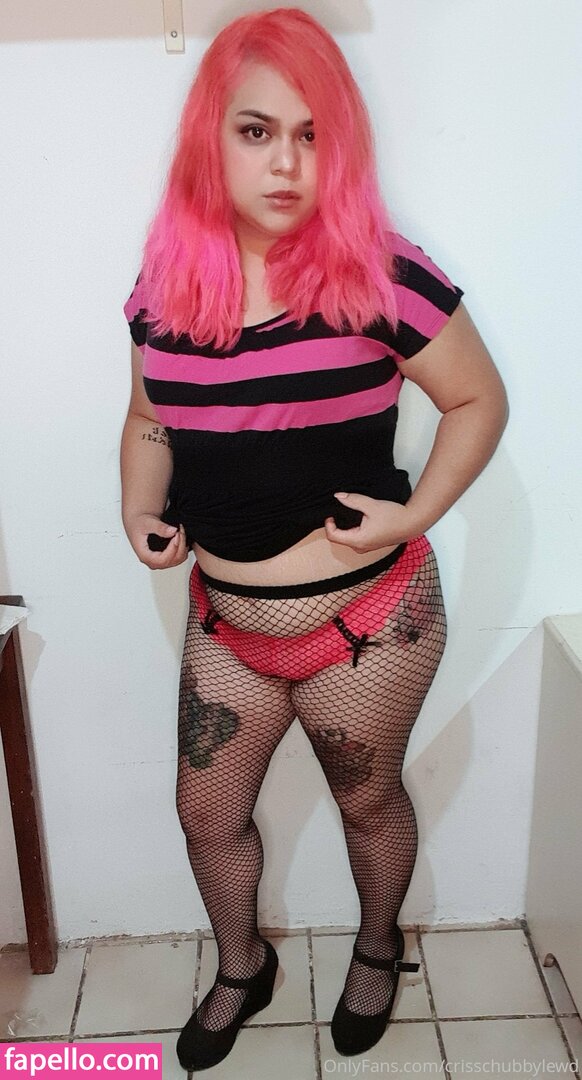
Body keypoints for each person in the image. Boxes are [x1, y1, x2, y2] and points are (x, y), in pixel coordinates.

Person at [120, 7, 508, 1072]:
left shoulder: (382, 275)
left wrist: (417, 513)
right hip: (226, 626)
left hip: (367, 626)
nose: (287, 162)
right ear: (211, 137)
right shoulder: (163, 290)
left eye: (311, 135)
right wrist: (137, 508)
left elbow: (476, 399)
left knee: (367, 802)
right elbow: (149, 418)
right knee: (206, 816)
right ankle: (243, 966)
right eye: (257, 131)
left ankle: (378, 949)